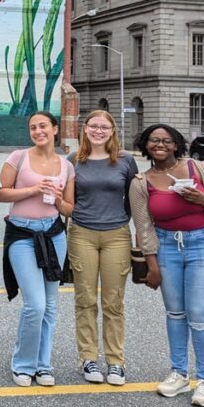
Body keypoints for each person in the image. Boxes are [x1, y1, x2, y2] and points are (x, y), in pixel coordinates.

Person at [130, 124, 204, 407]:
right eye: (153, 140)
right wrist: (152, 265)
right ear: (145, 145)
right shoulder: (140, 182)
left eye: (166, 140)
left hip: (202, 244)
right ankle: (179, 373)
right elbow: (144, 227)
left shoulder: (199, 170)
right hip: (165, 248)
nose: (159, 144)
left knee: (199, 314)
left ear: (176, 145)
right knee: (175, 313)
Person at [0, 111, 75, 388]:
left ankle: (43, 365)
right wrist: (32, 189)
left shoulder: (66, 165)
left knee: (51, 305)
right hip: (22, 234)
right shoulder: (18, 157)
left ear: (55, 129)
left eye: (43, 126)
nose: (38, 131)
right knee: (35, 305)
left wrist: (56, 201)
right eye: (33, 127)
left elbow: (69, 208)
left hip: (54, 234)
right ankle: (23, 364)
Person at [68, 110, 138, 386]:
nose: (98, 131)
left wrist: (135, 231)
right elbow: (65, 197)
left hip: (116, 236)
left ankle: (116, 362)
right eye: (93, 126)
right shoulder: (74, 160)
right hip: (82, 233)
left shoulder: (125, 160)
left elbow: (135, 199)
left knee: (113, 302)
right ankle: (88, 358)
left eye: (104, 127)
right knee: (85, 300)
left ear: (112, 131)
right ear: (85, 129)